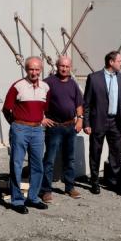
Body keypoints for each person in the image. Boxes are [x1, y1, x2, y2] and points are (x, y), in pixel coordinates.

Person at [2, 56, 50, 214]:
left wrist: (41, 119)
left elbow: (44, 109)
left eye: (37, 69)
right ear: (26, 70)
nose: (34, 72)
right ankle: (17, 200)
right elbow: (6, 109)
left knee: (37, 165)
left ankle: (33, 197)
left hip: (37, 130)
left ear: (41, 70)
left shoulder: (45, 87)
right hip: (20, 129)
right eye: (31, 69)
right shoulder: (18, 86)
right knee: (16, 164)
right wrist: (16, 124)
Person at [83, 51, 121, 194]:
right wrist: (86, 123)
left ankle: (113, 181)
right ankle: (94, 181)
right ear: (111, 62)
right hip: (98, 121)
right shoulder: (94, 78)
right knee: (95, 151)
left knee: (115, 153)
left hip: (116, 121)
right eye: (119, 61)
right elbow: (86, 103)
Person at [40, 55, 85, 203]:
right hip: (54, 128)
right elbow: (38, 101)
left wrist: (80, 120)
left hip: (70, 126)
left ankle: (69, 187)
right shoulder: (48, 82)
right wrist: (42, 118)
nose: (64, 69)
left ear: (70, 67)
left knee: (70, 159)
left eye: (67, 66)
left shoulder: (73, 84)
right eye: (61, 66)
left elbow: (79, 104)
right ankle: (46, 190)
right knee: (50, 159)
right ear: (57, 67)